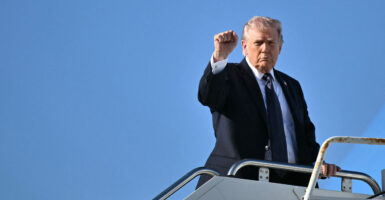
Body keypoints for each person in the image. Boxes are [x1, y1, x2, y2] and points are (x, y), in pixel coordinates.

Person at [197, 16, 340, 188]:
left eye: (271, 43)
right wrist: (220, 56)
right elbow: (208, 96)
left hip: (293, 185)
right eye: (258, 43)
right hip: (238, 181)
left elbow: (305, 135)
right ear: (244, 47)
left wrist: (319, 163)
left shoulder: (292, 86)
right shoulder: (228, 75)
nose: (265, 49)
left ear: (280, 48)